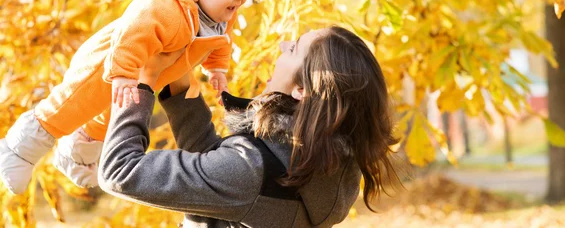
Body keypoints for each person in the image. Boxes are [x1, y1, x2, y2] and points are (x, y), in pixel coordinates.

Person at [0, 0, 252, 195]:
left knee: (104, 122)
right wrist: (124, 73)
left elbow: (221, 39)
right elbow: (133, 33)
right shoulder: (165, 7)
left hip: (146, 72)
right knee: (73, 104)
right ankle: (17, 148)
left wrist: (216, 68)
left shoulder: (220, 12)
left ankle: (75, 153)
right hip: (112, 61)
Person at [98, 26, 400, 227]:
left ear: (302, 90)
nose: (283, 44)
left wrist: (141, 84)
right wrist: (180, 86)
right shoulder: (332, 163)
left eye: (293, 49)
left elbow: (119, 171)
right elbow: (217, 177)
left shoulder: (251, 170)